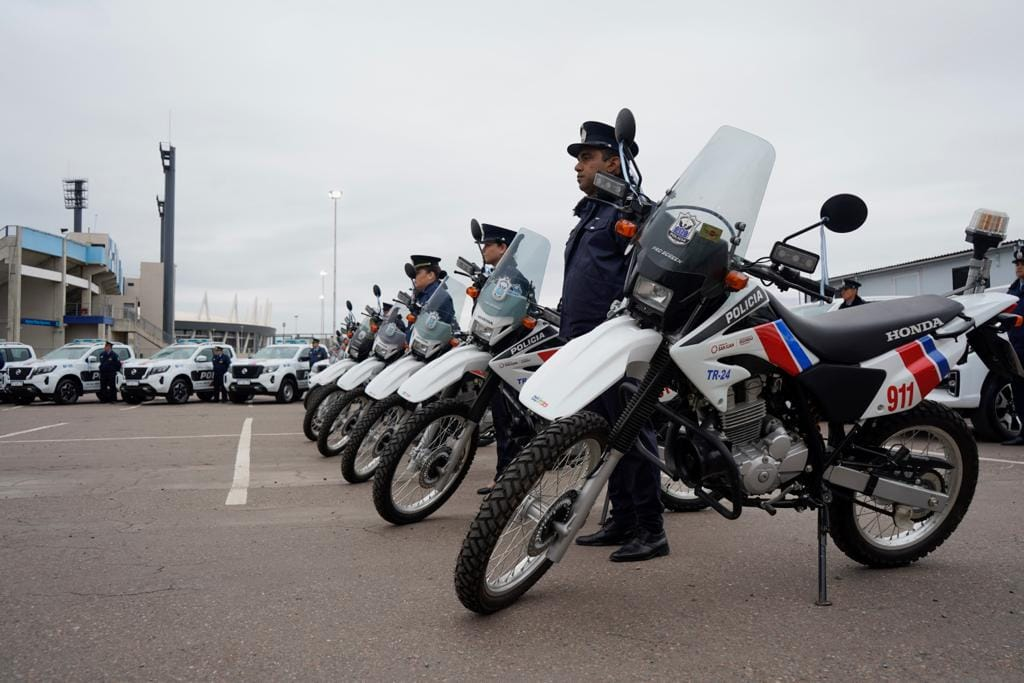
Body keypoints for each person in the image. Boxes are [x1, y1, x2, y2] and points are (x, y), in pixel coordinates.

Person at [562, 120, 668, 562]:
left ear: (613, 161)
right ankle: (622, 518)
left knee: (631, 429)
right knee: (608, 435)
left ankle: (651, 529)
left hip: (615, 339)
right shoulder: (591, 212)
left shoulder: (634, 210)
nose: (578, 166)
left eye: (587, 157)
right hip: (584, 338)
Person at [469, 224, 529, 495]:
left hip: (509, 351)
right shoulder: (494, 278)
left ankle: (507, 476)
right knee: (501, 417)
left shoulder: (515, 278)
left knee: (509, 418)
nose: (484, 249)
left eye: (488, 244)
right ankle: (504, 474)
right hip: (494, 350)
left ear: (503, 247)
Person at [1002, 249, 1024, 445]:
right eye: (1017, 264)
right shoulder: (1014, 288)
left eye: (1022, 263)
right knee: (1019, 392)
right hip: (1017, 348)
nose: (1018, 267)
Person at [406, 255, 457, 324]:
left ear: (430, 275)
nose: (414, 277)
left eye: (417, 273)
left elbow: (432, 327)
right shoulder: (422, 296)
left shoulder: (438, 297)